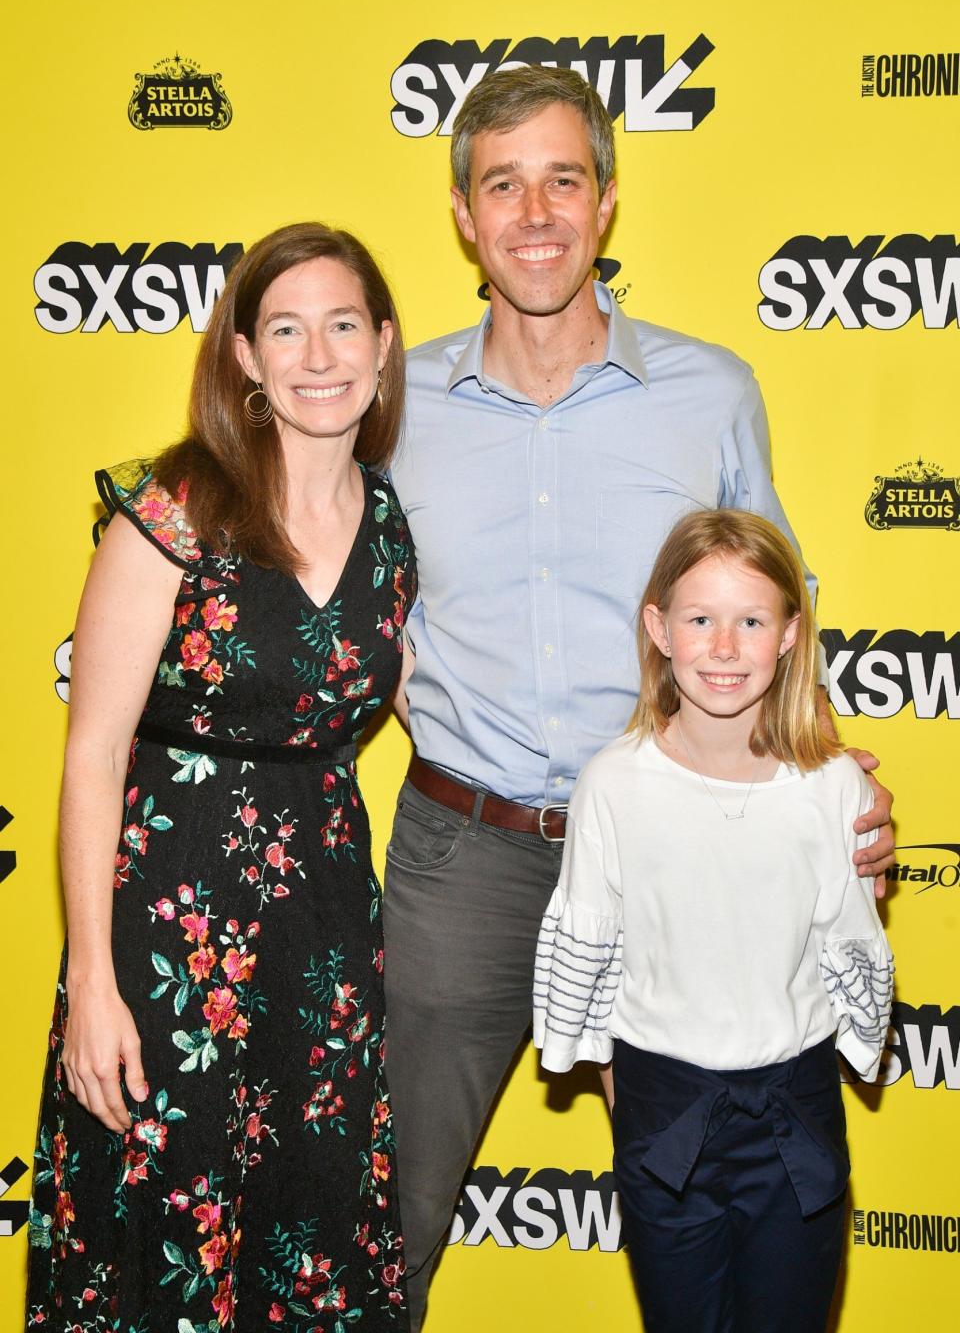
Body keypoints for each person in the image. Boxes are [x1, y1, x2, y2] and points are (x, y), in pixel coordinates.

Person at [383, 65, 895, 1330]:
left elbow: (776, 613)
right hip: (465, 855)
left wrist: (832, 795)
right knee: (385, 1218)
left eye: (564, 177)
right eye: (503, 183)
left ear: (608, 200)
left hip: (682, 857)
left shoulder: (709, 392)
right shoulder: (394, 411)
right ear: (463, 213)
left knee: (721, 1228)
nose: (536, 210)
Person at [27, 223, 415, 1332]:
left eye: (344, 324)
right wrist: (93, 985)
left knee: (309, 1222)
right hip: (168, 930)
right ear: (244, 356)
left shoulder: (389, 526)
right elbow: (95, 752)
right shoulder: (173, 510)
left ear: (383, 346)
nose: (319, 354)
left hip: (324, 932)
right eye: (285, 329)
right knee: (165, 1225)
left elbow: (414, 696)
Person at [533, 509, 894, 1332]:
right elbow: (590, 955)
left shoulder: (832, 787)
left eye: (751, 621)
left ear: (791, 634)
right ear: (659, 629)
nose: (724, 649)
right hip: (665, 1115)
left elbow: (849, 953)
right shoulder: (613, 784)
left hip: (795, 1116)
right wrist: (632, 1106)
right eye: (700, 619)